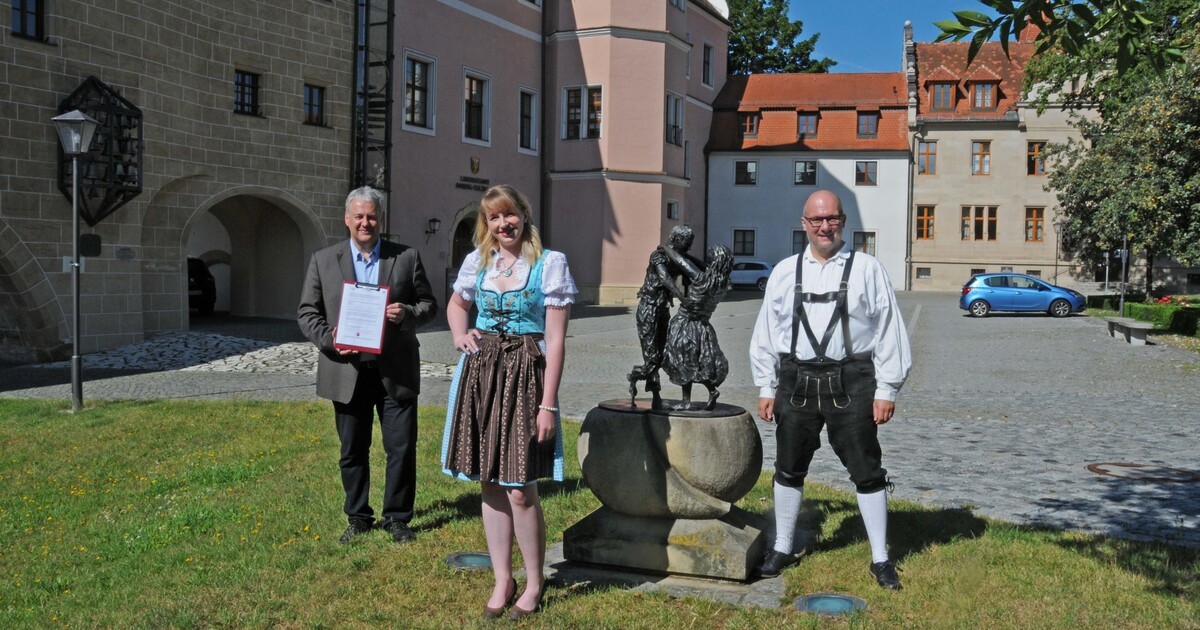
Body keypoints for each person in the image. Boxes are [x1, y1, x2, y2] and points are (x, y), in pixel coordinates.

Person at [748, 189, 912, 589]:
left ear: (842, 221)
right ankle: (782, 546)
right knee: (788, 467)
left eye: (832, 219)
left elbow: (889, 328)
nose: (825, 226)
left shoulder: (868, 269)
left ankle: (880, 557)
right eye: (816, 220)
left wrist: (886, 388)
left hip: (853, 380)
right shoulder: (785, 272)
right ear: (804, 224)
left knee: (866, 470)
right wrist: (766, 384)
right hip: (795, 380)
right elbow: (767, 333)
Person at [440, 184, 576, 620]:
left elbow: (555, 341)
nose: (504, 225)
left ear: (524, 214)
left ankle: (534, 580)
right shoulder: (478, 262)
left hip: (525, 377)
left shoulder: (548, 264)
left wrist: (548, 404)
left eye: (510, 215)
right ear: (487, 223)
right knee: (489, 480)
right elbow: (457, 304)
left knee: (520, 488)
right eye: (494, 218)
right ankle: (503, 577)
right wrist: (461, 334)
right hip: (482, 376)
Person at [297, 186, 438, 545]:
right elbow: (307, 312)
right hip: (347, 371)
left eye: (372, 216)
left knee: (401, 449)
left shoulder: (405, 257)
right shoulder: (323, 260)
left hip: (395, 370)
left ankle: (398, 517)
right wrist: (331, 339)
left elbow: (429, 304)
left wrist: (406, 313)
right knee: (352, 450)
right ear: (346, 219)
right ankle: (358, 516)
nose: (365, 222)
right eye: (358, 216)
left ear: (381, 219)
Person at [627, 225, 700, 408]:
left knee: (662, 355)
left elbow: (695, 269)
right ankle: (642, 384)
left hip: (662, 309)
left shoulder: (677, 258)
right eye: (686, 243)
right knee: (652, 357)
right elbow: (665, 278)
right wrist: (681, 296)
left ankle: (654, 395)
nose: (688, 247)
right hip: (648, 309)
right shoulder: (658, 255)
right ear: (676, 239)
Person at [659, 243, 734, 410]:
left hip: (685, 324)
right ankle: (711, 391)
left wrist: (667, 248)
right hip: (704, 326)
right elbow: (701, 266)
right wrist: (689, 255)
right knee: (699, 362)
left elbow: (681, 263)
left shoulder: (702, 279)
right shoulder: (724, 282)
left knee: (683, 361)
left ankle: (686, 401)